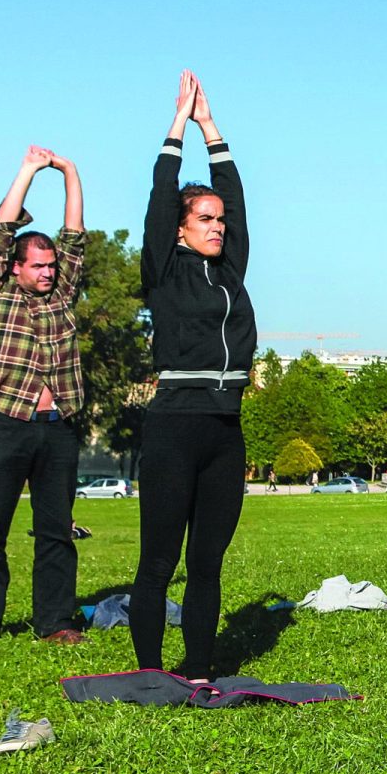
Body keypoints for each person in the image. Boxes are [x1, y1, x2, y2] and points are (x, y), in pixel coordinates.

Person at [132, 71, 256, 679]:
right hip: (173, 428)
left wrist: (215, 129)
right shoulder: (163, 267)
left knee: (208, 563)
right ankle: (152, 672)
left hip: (224, 431)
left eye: (219, 221)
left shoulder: (230, 272)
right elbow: (160, 195)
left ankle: (200, 669)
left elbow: (235, 199)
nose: (216, 226)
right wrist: (179, 127)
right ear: (182, 227)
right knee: (159, 562)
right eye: (204, 219)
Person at [0, 146, 87, 645]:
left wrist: (70, 173)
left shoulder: (62, 295)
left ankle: (55, 622)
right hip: (7, 424)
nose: (47, 272)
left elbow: (75, 237)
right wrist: (28, 171)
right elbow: (0, 233)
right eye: (37, 265)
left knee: (56, 533)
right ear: (16, 267)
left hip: (57, 427)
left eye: (51, 265)